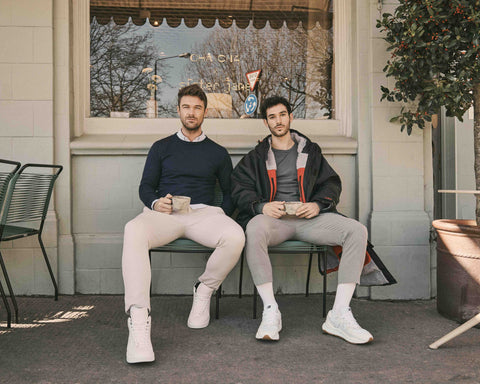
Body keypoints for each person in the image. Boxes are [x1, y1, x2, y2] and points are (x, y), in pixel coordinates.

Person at [231, 96, 373, 344]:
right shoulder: (256, 157)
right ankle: (270, 311)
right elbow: (239, 188)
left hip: (308, 220)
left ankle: (339, 314)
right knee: (253, 229)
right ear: (266, 122)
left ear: (290, 117)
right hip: (275, 222)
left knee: (356, 231)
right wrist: (262, 206)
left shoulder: (310, 151)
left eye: (282, 114)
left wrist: (317, 205)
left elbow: (331, 182)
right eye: (272, 116)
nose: (278, 120)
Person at [122, 84, 245, 363]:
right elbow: (145, 186)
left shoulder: (218, 153)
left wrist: (220, 214)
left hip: (203, 214)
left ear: (205, 112)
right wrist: (155, 203)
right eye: (186, 107)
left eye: (197, 108)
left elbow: (231, 194)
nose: (192, 113)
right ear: (178, 110)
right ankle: (139, 321)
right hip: (165, 213)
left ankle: (203, 290)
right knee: (133, 230)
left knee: (236, 236)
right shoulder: (161, 147)